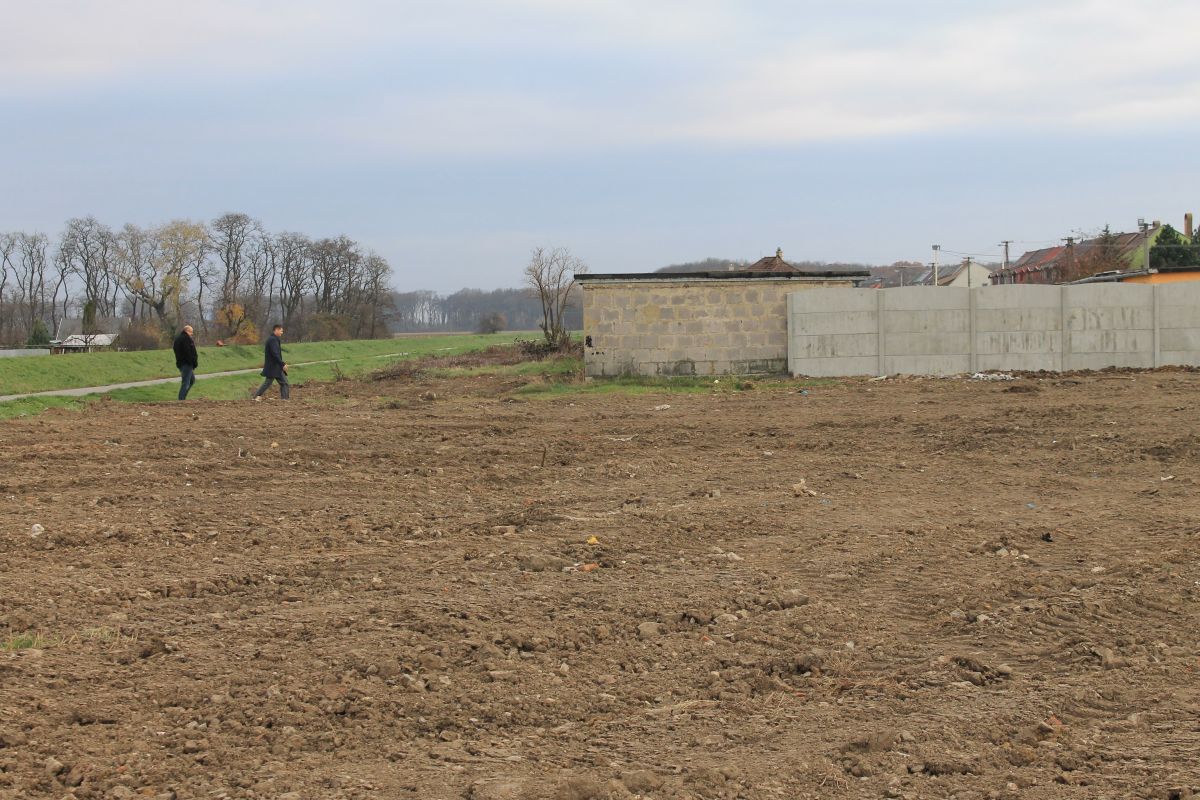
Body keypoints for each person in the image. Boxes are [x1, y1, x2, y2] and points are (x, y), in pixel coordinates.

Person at [254, 324, 289, 400]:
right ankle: (255, 397)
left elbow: (276, 354)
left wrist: (281, 364)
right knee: (268, 383)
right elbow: (275, 354)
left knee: (284, 383)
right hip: (273, 367)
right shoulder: (272, 340)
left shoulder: (274, 339)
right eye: (281, 331)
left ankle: (285, 400)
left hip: (276, 367)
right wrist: (283, 364)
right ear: (276, 330)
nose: (282, 333)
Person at [172, 324, 198, 401]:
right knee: (186, 383)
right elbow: (188, 352)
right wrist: (193, 362)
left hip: (181, 363)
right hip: (187, 364)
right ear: (187, 331)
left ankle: (183, 398)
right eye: (191, 332)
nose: (192, 334)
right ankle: (181, 400)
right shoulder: (186, 339)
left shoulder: (178, 339)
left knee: (191, 380)